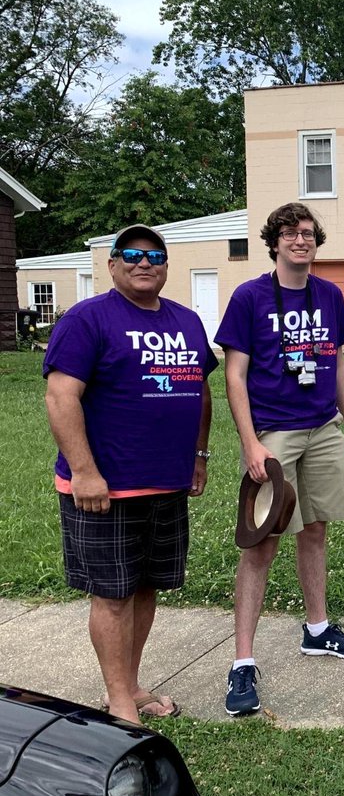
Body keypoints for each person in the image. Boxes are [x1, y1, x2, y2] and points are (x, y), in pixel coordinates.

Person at [44, 224, 217, 725]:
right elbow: (61, 396)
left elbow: (200, 390)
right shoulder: (87, 319)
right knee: (113, 595)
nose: (144, 262)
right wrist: (84, 471)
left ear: (165, 266)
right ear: (112, 265)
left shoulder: (186, 321)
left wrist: (199, 456)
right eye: (131, 254)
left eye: (154, 255)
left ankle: (132, 684)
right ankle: (119, 700)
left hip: (166, 482)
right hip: (105, 488)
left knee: (145, 588)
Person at [215, 203, 344, 717]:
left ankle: (318, 629)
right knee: (261, 542)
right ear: (274, 242)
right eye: (290, 233)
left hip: (323, 426)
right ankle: (242, 662)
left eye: (308, 233)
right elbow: (234, 375)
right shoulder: (250, 297)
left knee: (316, 529)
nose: (300, 240)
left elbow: (338, 362)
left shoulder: (328, 294)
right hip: (275, 433)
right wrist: (250, 443)